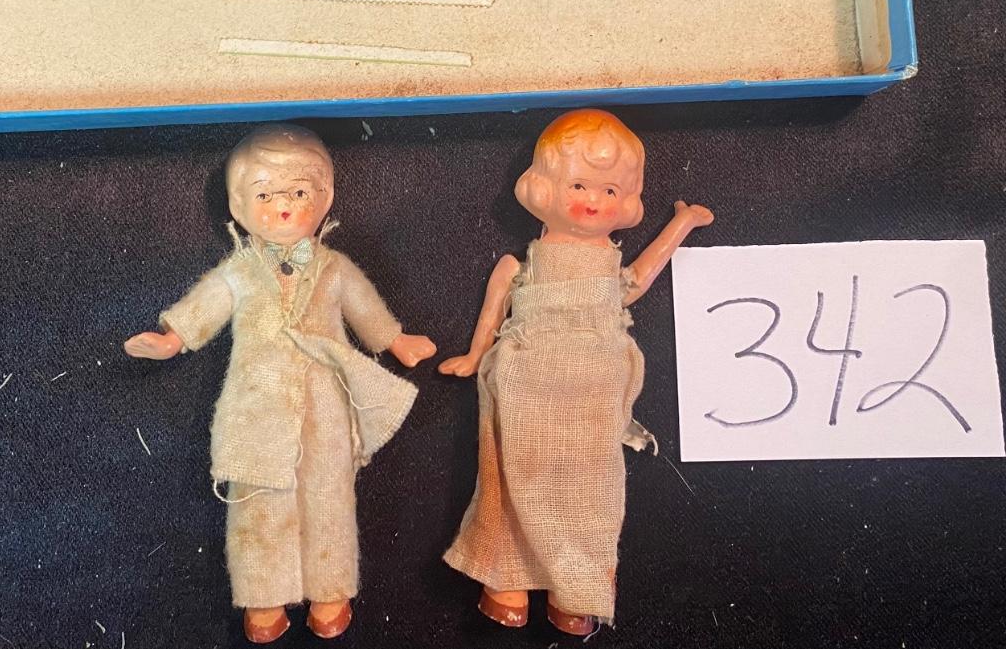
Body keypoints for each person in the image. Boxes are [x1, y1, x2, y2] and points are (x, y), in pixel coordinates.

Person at [124, 125, 435, 643]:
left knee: (329, 496)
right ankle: (263, 594)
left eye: (298, 193)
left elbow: (364, 308)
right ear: (238, 207)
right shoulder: (241, 271)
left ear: (324, 199)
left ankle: (331, 587)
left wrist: (395, 340)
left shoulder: (334, 268)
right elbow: (207, 304)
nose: (284, 207)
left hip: (325, 403)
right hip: (256, 406)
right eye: (265, 195)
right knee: (257, 500)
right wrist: (173, 338)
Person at [440, 108, 713, 631]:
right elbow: (495, 308)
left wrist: (681, 224)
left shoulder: (610, 266)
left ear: (627, 201)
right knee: (512, 474)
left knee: (594, 488)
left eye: (610, 191)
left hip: (595, 386)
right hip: (528, 379)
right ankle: (505, 577)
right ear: (544, 189)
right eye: (579, 185)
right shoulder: (523, 264)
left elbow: (636, 281)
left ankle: (576, 587)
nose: (593, 200)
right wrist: (475, 356)